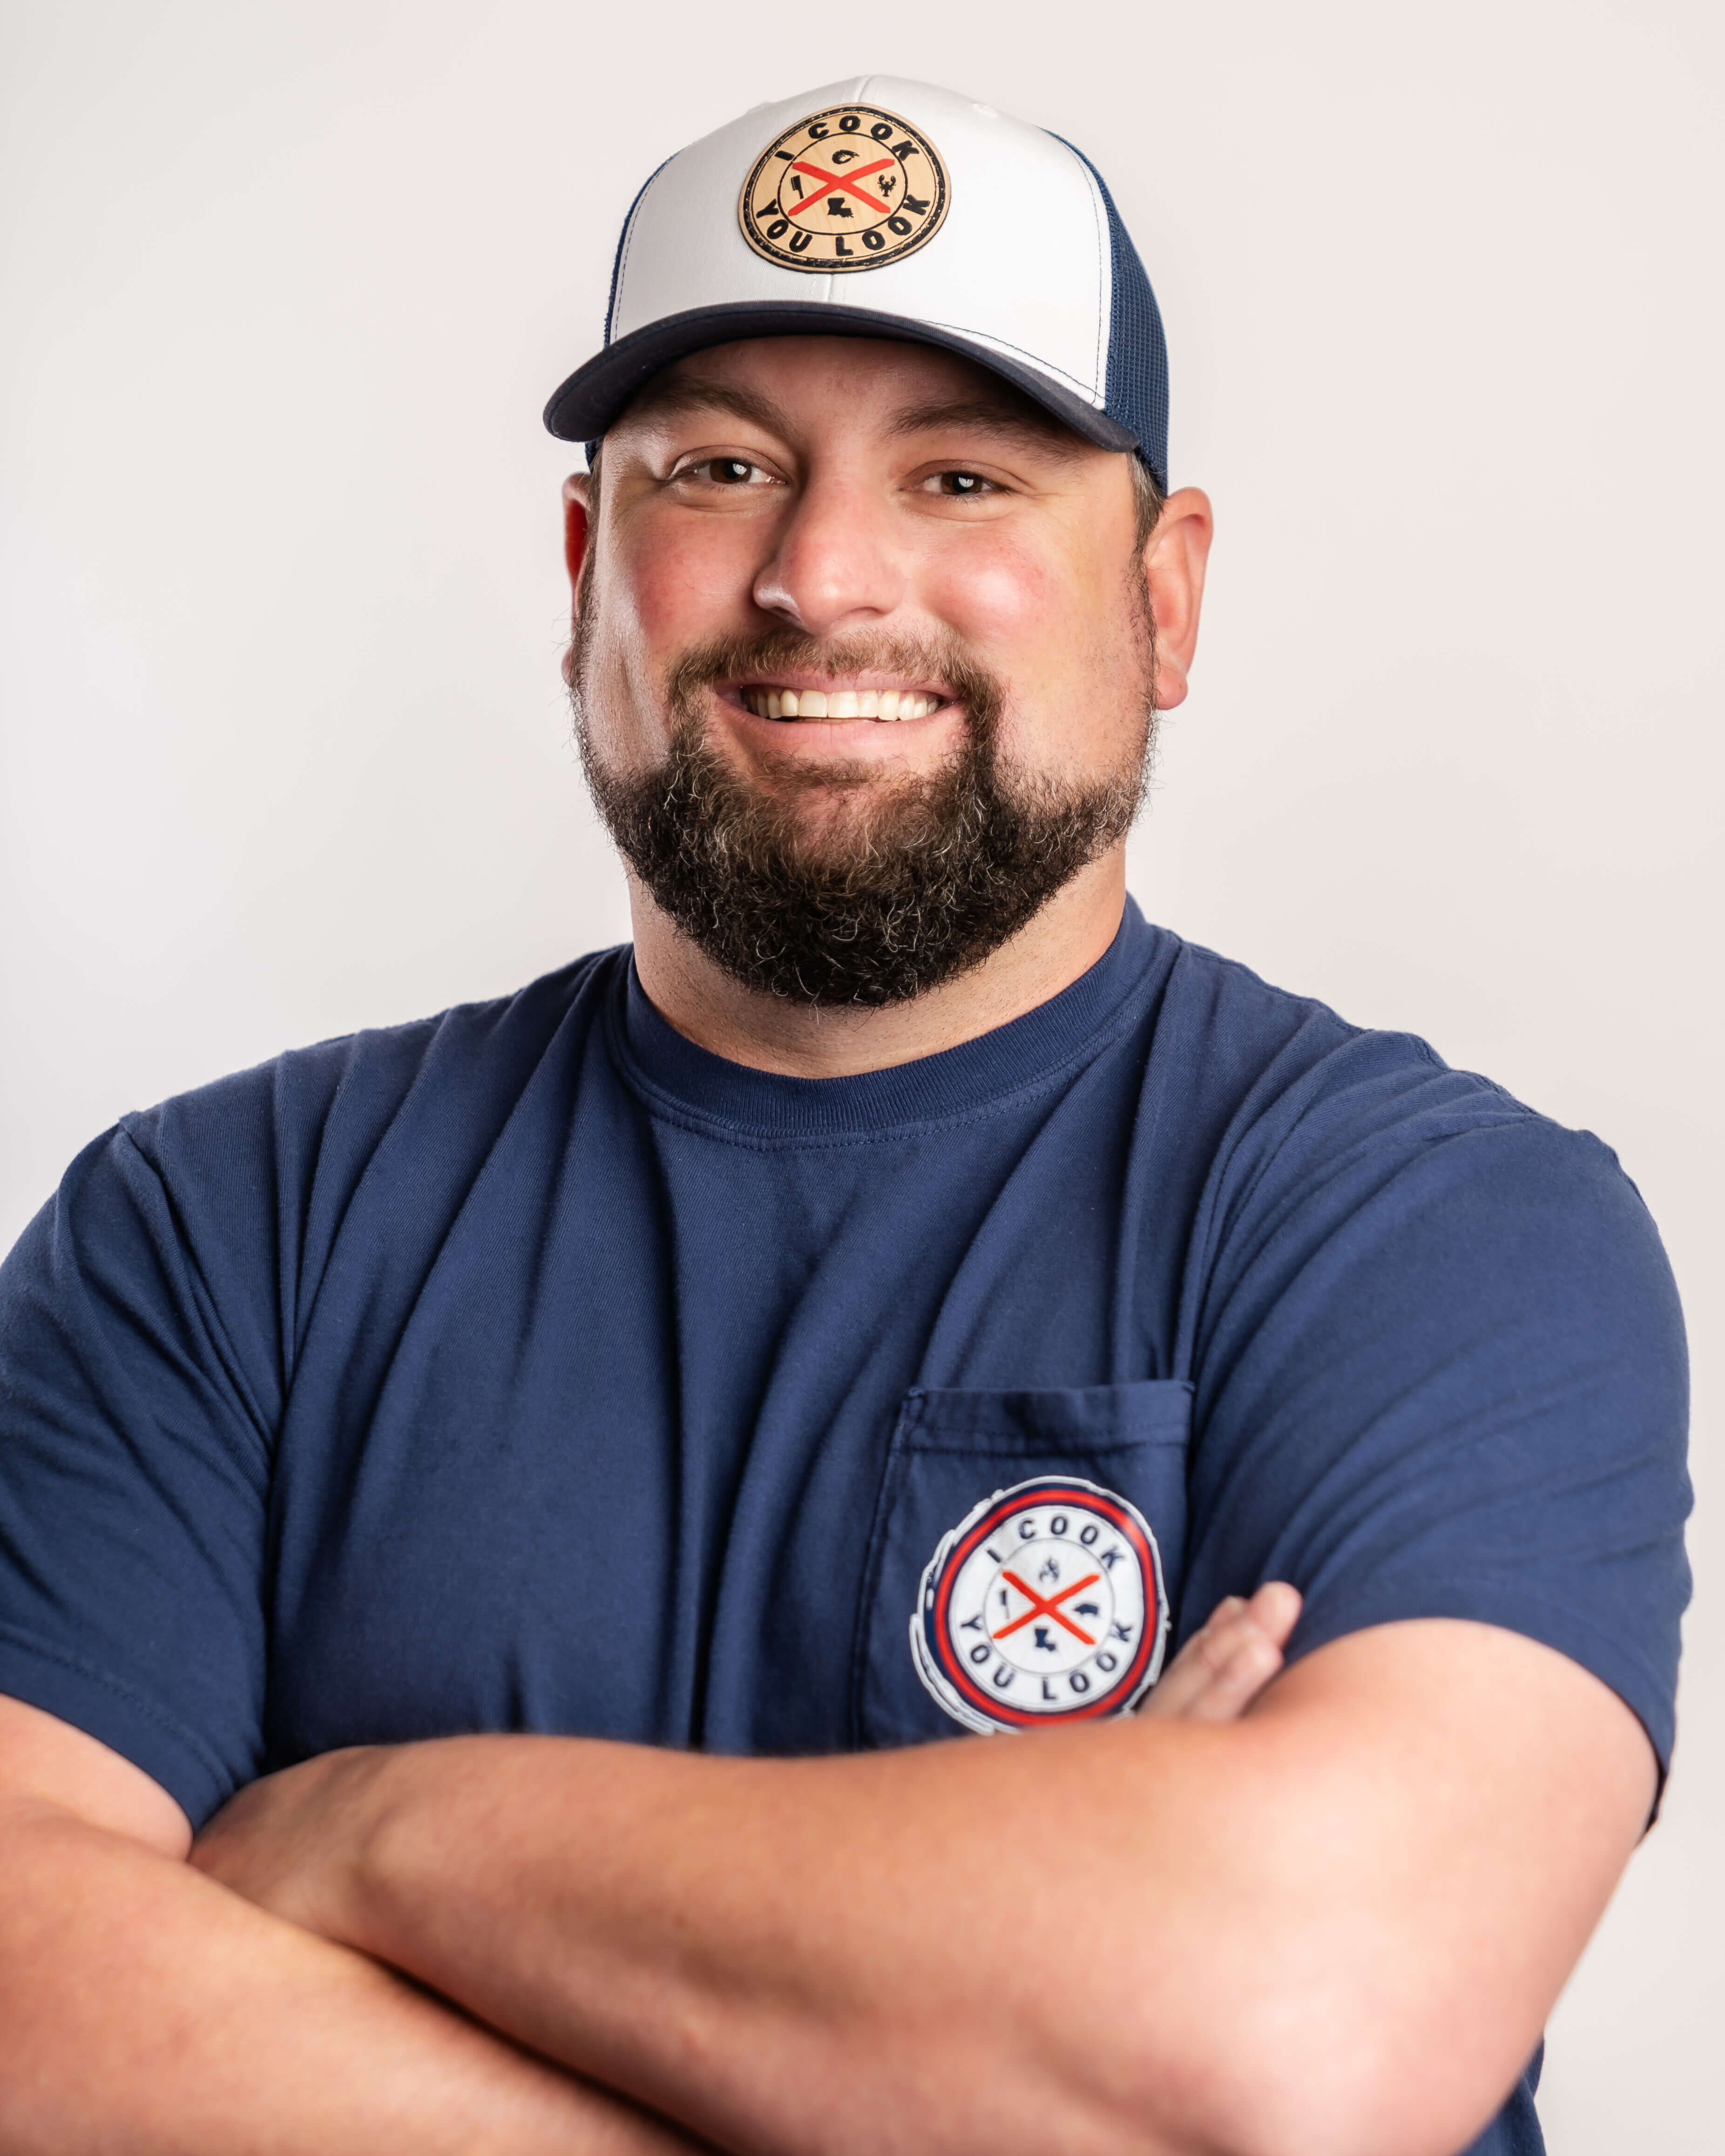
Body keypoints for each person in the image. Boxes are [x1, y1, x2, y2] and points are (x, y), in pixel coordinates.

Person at [0, 74, 1690, 2156]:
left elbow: (1298, 2029)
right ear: (583, 568)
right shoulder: (223, 1231)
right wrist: (1030, 1982)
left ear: (1164, 598)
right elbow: (26, 2009)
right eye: (720, 465)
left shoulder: (1433, 1233)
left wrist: (365, 1832)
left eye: (967, 477)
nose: (822, 574)